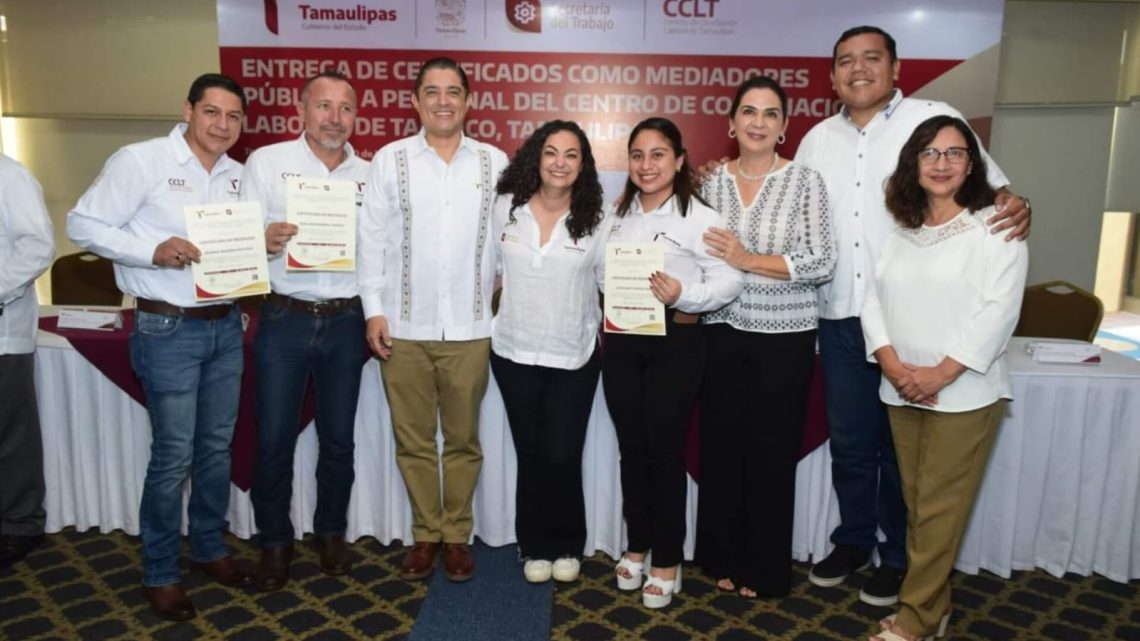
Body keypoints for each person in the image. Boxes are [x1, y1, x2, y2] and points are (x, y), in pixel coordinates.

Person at [795, 25, 1031, 606]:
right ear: (831, 78)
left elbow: (997, 194)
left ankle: (900, 557)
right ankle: (853, 541)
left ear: (896, 68)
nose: (858, 70)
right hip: (842, 317)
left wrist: (1020, 203)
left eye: (871, 58)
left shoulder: (933, 120)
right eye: (845, 61)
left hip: (914, 324)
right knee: (851, 444)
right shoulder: (816, 140)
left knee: (905, 456)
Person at [67, 73, 252, 620]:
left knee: (216, 449)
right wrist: (152, 249)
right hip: (167, 329)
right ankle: (160, 571)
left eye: (234, 117)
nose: (222, 125)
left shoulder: (239, 177)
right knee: (173, 456)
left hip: (226, 326)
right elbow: (82, 223)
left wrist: (259, 242)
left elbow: (236, 249)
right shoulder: (140, 160)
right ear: (188, 110)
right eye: (212, 112)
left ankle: (211, 547)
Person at [863, 115, 1027, 641]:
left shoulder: (995, 227)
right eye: (929, 152)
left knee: (939, 510)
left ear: (973, 164)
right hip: (901, 387)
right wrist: (891, 362)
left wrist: (941, 373)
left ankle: (914, 618)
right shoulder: (903, 233)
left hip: (963, 393)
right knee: (918, 507)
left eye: (955, 153)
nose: (941, 163)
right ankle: (933, 609)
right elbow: (873, 300)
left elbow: (999, 312)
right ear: (914, 162)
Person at [358, 57, 509, 582]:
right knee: (415, 441)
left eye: (452, 92)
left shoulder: (494, 162)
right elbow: (370, 241)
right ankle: (426, 535)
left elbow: (508, 242)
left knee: (465, 440)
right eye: (431, 92)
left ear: (469, 100)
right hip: (403, 328)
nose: (442, 101)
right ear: (416, 101)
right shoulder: (390, 160)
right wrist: (373, 310)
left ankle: (456, 535)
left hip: (470, 329)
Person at [696, 76, 836, 598]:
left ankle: (764, 566)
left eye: (770, 113)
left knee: (771, 454)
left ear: (783, 127)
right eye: (748, 112)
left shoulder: (806, 182)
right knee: (723, 450)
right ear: (731, 123)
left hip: (785, 337)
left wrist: (747, 259)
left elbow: (821, 262)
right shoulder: (710, 184)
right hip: (720, 333)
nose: (758, 122)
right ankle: (723, 558)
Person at [241, 70, 370, 590]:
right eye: (324, 106)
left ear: (356, 116)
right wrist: (261, 238)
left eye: (345, 108)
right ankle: (274, 540)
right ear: (301, 110)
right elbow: (233, 238)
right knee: (273, 439)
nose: (334, 117)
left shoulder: (372, 173)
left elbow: (382, 250)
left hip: (347, 320)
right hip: (283, 316)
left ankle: (331, 532)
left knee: (339, 440)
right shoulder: (267, 163)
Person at [605, 117, 742, 609]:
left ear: (679, 160)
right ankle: (638, 543)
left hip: (676, 346)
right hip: (622, 344)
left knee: (664, 453)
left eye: (658, 154)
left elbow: (730, 282)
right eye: (638, 155)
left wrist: (688, 294)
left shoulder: (699, 217)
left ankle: (667, 558)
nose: (647, 165)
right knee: (632, 451)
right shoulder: (617, 214)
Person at [490, 120, 608, 584]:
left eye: (572, 154)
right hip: (513, 349)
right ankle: (534, 543)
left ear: (583, 164)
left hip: (573, 354)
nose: (560, 162)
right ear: (536, 158)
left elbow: (609, 285)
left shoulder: (599, 218)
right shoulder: (506, 209)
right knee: (531, 451)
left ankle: (567, 542)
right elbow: (487, 272)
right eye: (552, 152)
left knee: (562, 452)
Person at [0, 154, 54, 570]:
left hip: (4, 332)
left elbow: (37, 247)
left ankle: (21, 524)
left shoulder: (10, 175)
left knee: (10, 435)